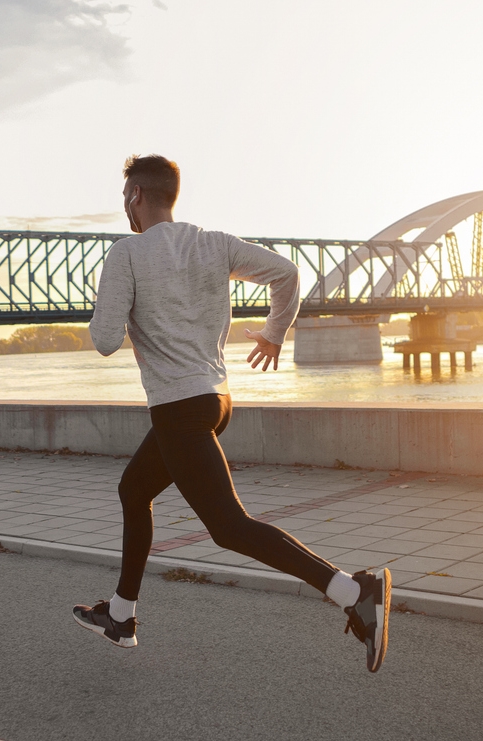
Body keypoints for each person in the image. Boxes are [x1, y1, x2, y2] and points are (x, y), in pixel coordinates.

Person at [72, 154, 391, 672]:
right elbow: (286, 274)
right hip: (215, 400)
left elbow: (105, 340)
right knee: (134, 491)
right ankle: (122, 615)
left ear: (134, 196)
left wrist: (113, 299)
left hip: (178, 408)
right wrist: (273, 332)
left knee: (229, 528)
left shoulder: (125, 254)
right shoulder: (213, 242)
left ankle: (353, 591)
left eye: (124, 198)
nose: (124, 209)